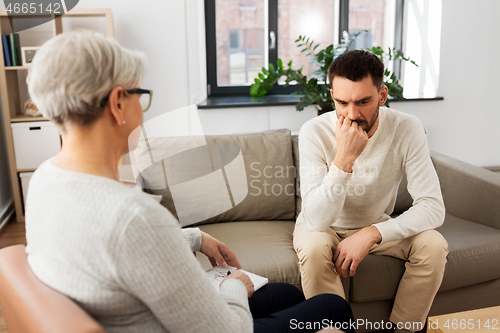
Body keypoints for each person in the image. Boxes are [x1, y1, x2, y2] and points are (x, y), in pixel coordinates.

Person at [24, 29, 354, 333]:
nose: (143, 106)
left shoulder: (45, 179)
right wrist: (234, 285)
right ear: (117, 103)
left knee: (283, 294)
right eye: (140, 93)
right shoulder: (133, 216)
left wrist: (194, 237)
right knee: (332, 307)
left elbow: (114, 252)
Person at [293, 50, 449, 333]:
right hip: (322, 226)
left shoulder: (407, 128)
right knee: (314, 247)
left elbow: (433, 206)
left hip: (376, 224)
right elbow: (315, 220)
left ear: (382, 95)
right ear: (332, 96)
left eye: (363, 101)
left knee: (434, 245)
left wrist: (373, 232)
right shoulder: (313, 132)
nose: (352, 114)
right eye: (342, 102)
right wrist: (344, 160)